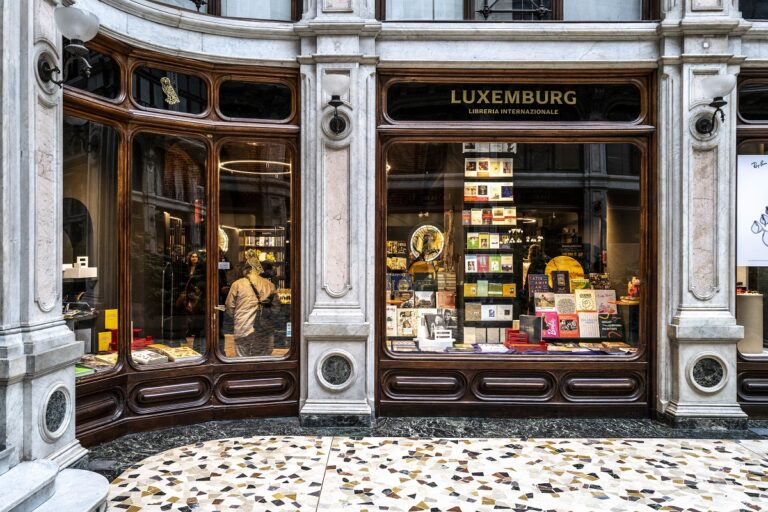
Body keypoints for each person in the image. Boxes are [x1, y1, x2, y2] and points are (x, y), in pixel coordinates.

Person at [225, 249, 279, 357]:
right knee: (261, 357)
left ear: (245, 271)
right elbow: (276, 308)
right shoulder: (269, 285)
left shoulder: (237, 284)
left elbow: (229, 307)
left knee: (242, 357)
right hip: (264, 329)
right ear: (258, 270)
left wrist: (237, 317)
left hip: (243, 327)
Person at [177, 250, 205, 346]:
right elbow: (182, 281)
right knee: (185, 316)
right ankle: (184, 335)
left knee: (195, 316)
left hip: (196, 296)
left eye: (196, 257)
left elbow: (202, 282)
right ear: (189, 258)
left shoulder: (201, 269)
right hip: (186, 294)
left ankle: (195, 336)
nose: (194, 258)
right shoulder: (185, 268)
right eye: (192, 256)